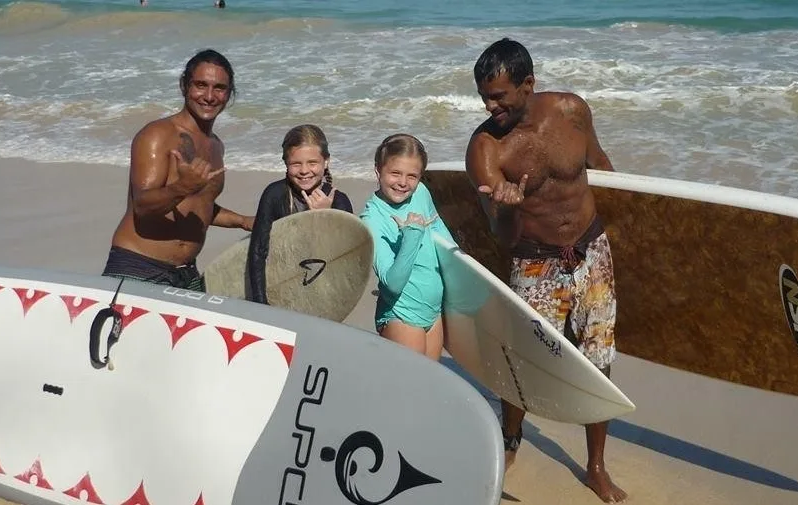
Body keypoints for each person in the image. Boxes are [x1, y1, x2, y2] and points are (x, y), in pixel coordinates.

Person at [465, 38, 626, 503]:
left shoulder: (572, 112)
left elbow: (602, 167)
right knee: (523, 361)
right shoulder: (486, 150)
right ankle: (510, 437)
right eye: (484, 97)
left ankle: (595, 465)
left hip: (592, 252)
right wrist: (510, 208)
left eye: (499, 96)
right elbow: (503, 236)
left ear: (528, 84)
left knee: (599, 360)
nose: (490, 106)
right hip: (534, 262)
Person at [102, 49, 253, 292]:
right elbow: (143, 206)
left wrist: (242, 221)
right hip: (138, 268)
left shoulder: (216, 145)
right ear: (184, 86)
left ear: (229, 94)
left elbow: (198, 205)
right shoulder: (158, 134)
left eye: (220, 88)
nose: (209, 96)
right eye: (201, 85)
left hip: (186, 273)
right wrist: (183, 187)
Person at [360, 134, 456, 361]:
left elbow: (438, 229)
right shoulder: (371, 220)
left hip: (433, 311)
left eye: (412, 176)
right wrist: (412, 235)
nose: (403, 183)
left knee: (429, 387)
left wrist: (460, 262)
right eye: (395, 173)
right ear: (378, 171)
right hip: (401, 315)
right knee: (407, 391)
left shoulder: (420, 192)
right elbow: (392, 284)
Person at [246, 124, 353, 304]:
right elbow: (258, 251)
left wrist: (326, 217)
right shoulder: (274, 195)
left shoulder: (339, 201)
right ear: (286, 163)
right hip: (282, 282)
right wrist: (261, 303)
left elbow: (346, 257)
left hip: (323, 288)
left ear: (326, 162)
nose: (304, 171)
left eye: (312, 163)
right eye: (296, 163)